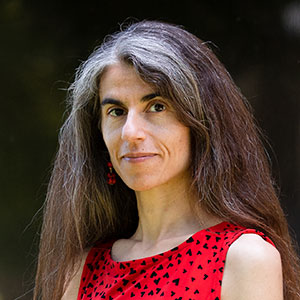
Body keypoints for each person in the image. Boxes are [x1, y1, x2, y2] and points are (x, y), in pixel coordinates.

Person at [34, 20, 300, 300]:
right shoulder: (83, 271)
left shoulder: (244, 258)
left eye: (157, 107)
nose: (131, 132)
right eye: (116, 111)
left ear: (201, 123)